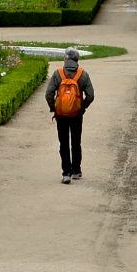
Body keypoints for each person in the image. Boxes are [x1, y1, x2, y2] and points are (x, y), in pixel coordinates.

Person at [45, 47, 94, 184]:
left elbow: (48, 94)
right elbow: (91, 95)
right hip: (76, 114)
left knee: (63, 143)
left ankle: (66, 173)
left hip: (61, 114)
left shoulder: (58, 73)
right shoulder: (82, 74)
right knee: (76, 142)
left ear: (66, 59)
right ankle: (76, 171)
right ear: (77, 59)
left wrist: (54, 108)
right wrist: (82, 107)